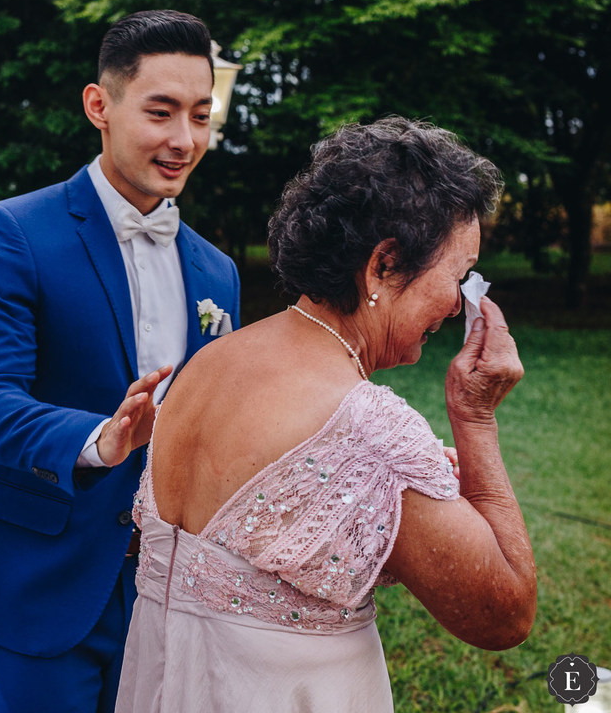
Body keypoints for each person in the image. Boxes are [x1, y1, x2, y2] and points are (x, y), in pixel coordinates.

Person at [117, 117, 537, 712]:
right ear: (383, 265)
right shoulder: (367, 429)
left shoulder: (206, 368)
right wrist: (476, 421)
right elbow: (506, 613)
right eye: (459, 277)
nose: (462, 303)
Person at [0, 10, 241, 713]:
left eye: (201, 116)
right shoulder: (13, 232)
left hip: (174, 598)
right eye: (161, 112)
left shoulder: (219, 272)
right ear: (98, 105)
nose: (184, 140)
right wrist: (97, 440)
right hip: (44, 587)